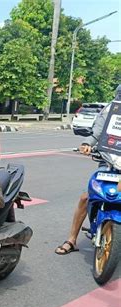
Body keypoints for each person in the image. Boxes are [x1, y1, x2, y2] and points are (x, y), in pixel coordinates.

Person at [55, 84, 121, 255]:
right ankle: (71, 239)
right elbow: (96, 134)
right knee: (86, 197)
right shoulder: (110, 111)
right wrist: (87, 144)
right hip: (108, 163)